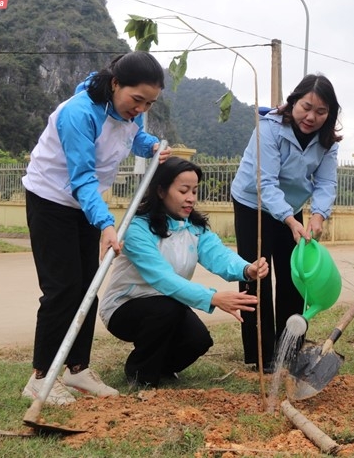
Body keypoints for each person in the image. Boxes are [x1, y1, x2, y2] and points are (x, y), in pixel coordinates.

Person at [21, 51, 172, 405]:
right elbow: (82, 178)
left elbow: (129, 134)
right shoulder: (78, 114)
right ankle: (40, 377)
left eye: (149, 103)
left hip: (82, 206)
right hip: (51, 201)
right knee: (62, 289)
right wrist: (106, 224)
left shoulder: (122, 111)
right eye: (137, 99)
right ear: (116, 83)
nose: (141, 109)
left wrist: (149, 145)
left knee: (87, 285)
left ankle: (77, 369)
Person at [99, 157, 269, 387]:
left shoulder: (194, 228)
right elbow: (162, 278)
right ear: (161, 191)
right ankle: (140, 375)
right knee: (166, 309)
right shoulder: (137, 229)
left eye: (195, 191)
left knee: (198, 341)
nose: (190, 198)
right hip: (125, 306)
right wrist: (213, 298)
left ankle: (161, 368)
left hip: (169, 303)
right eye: (183, 190)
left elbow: (219, 255)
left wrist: (247, 269)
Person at [230, 74, 342, 373]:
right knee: (257, 274)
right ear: (294, 102)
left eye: (321, 112)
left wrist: (318, 215)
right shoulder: (268, 128)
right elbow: (265, 182)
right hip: (252, 203)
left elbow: (326, 181)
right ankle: (262, 355)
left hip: (291, 207)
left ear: (330, 114)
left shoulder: (328, 140)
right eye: (306, 107)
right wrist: (291, 221)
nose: (311, 117)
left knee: (297, 277)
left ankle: (289, 351)